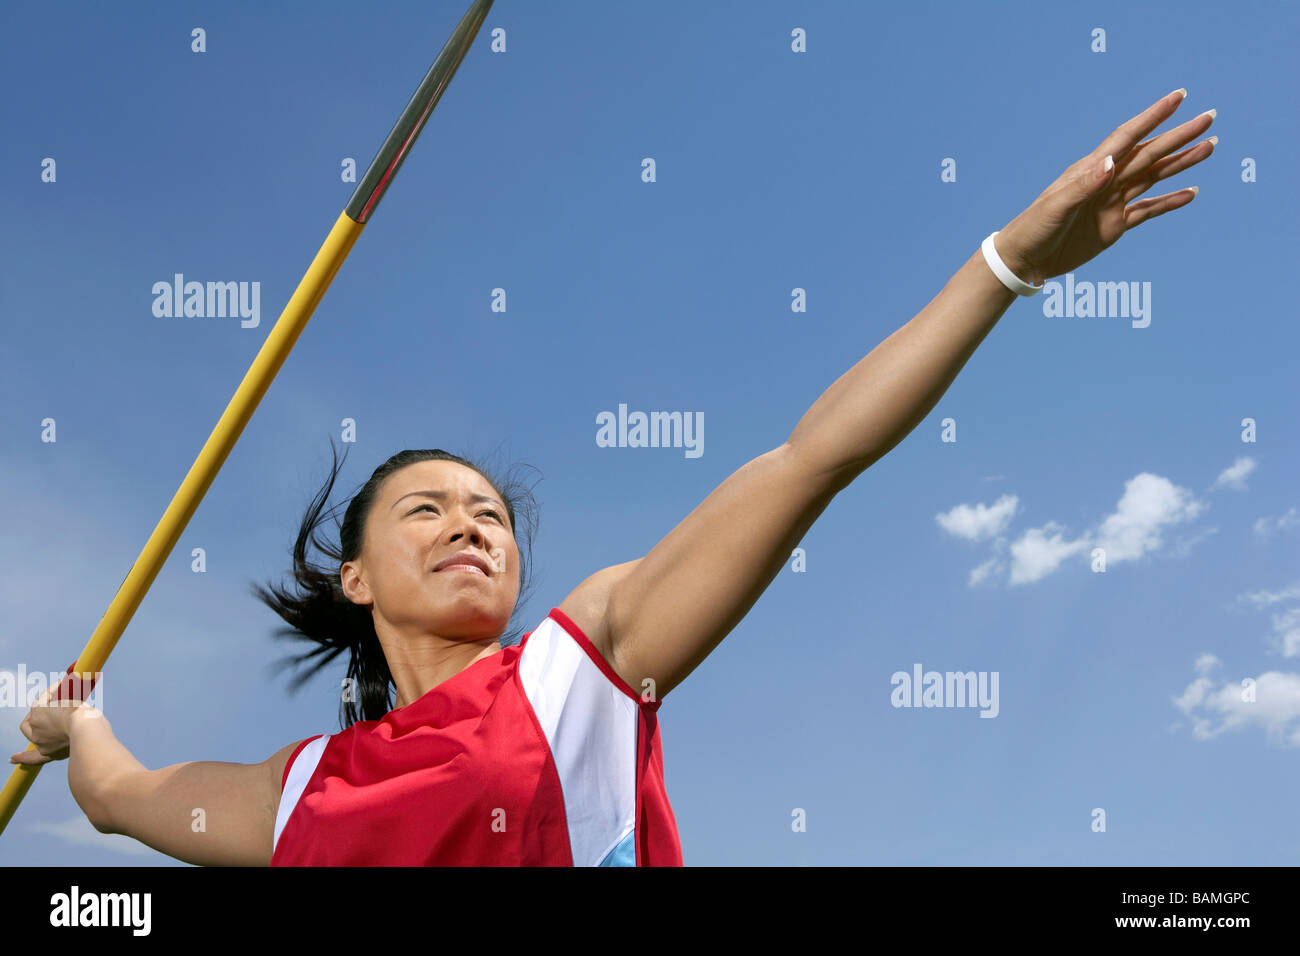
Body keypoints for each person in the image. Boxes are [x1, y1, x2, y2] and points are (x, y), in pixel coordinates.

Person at [12, 88, 1215, 866]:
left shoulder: (576, 667)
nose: (470, 525)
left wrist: (1005, 266)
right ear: (357, 577)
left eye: (489, 512)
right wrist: (77, 721)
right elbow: (124, 796)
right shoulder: (302, 790)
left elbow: (813, 459)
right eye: (426, 508)